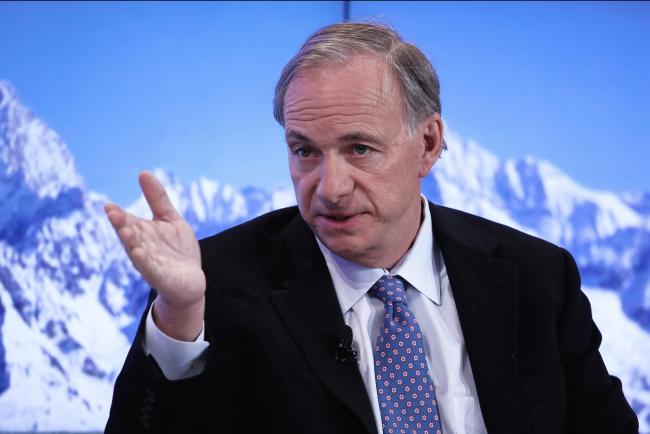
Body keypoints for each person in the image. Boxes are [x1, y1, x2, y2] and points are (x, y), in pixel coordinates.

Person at [104, 22, 638, 434]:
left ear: (427, 145)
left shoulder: (537, 276)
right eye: (304, 151)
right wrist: (177, 318)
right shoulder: (217, 284)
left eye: (359, 149)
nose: (329, 186)